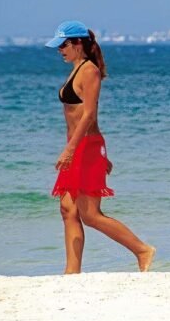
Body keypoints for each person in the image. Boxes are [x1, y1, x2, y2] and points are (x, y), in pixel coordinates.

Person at [46, 20, 155, 274]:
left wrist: (72, 150)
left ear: (78, 43)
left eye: (63, 45)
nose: (60, 50)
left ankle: (142, 250)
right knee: (67, 209)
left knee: (90, 214)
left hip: (84, 147)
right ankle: (72, 272)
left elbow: (89, 115)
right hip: (80, 146)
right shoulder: (76, 69)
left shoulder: (89, 71)